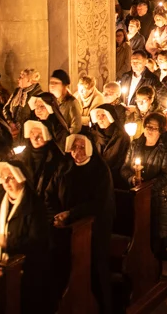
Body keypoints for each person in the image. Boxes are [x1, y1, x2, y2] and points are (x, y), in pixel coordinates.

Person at [0, 162, 52, 314]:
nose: (6, 182)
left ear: (21, 178)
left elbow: (37, 243)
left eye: (10, 177)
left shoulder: (35, 205)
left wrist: (7, 242)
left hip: (23, 273)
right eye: (3, 177)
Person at [58, 134, 114, 313]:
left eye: (82, 147)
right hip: (67, 227)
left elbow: (99, 203)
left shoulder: (100, 170)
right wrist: (55, 215)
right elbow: (50, 192)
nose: (77, 152)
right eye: (74, 147)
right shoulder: (65, 166)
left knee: (97, 269)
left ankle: (105, 308)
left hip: (95, 227)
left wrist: (72, 213)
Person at [121, 112, 167, 255]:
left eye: (154, 128)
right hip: (137, 196)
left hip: (159, 197)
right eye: (148, 126)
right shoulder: (135, 144)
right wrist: (132, 178)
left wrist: (147, 189)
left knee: (155, 235)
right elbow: (125, 168)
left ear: (161, 131)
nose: (149, 130)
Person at [13, 120, 67, 217]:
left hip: (47, 211)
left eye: (40, 134)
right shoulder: (20, 158)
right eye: (32, 133)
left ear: (48, 135)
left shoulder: (57, 160)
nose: (35, 138)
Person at [89, 103, 130, 180]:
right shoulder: (93, 135)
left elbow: (122, 162)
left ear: (111, 117)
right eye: (98, 115)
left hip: (114, 177)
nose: (100, 119)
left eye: (103, 115)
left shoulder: (122, 137)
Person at [3, 68, 42, 135]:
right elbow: (6, 108)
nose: (18, 79)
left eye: (21, 77)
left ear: (29, 80)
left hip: (28, 133)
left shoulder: (38, 95)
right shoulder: (17, 91)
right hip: (13, 131)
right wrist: (10, 121)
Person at [46, 70, 81, 135]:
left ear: (64, 86)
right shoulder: (49, 101)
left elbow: (76, 127)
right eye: (51, 82)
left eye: (56, 83)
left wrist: (63, 136)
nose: (52, 85)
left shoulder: (72, 103)